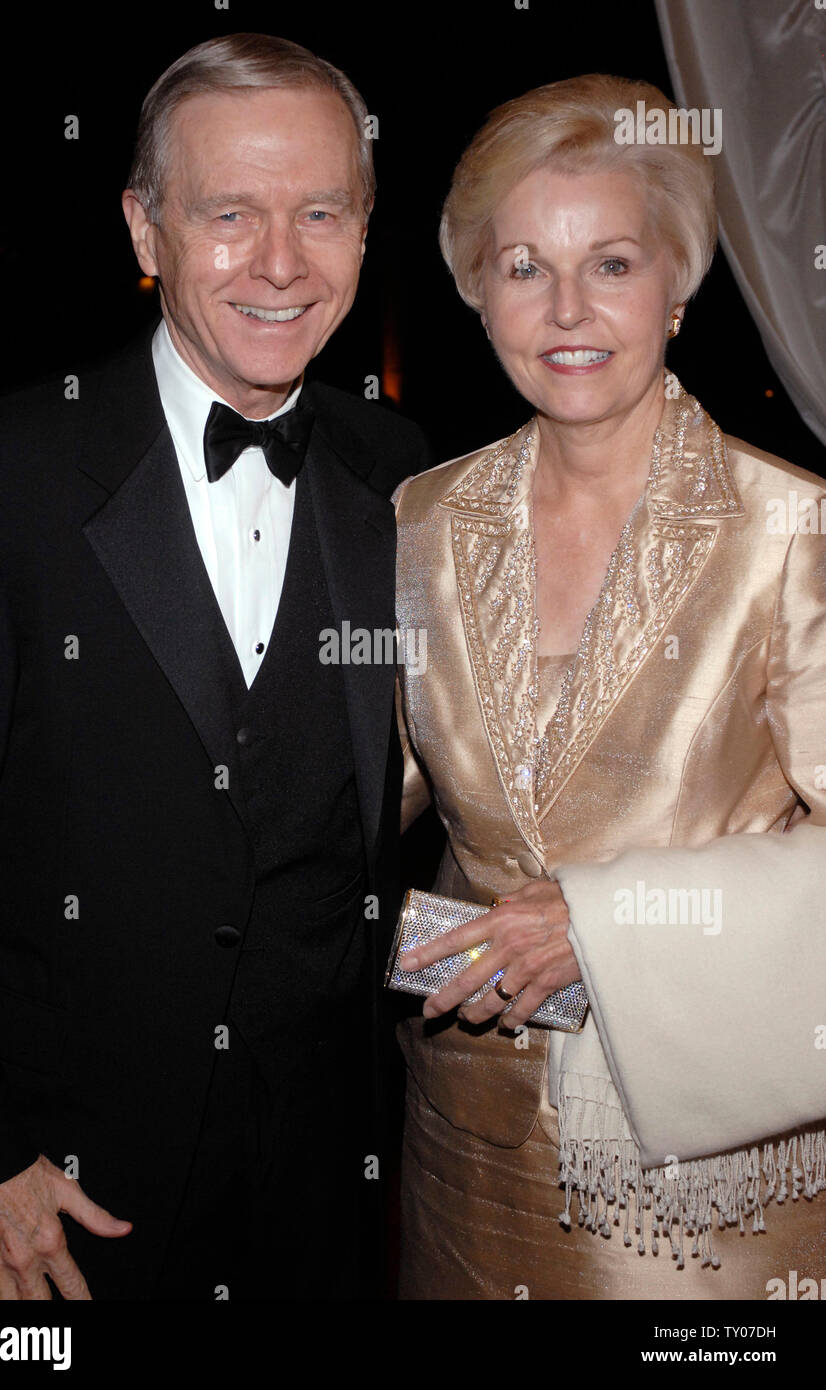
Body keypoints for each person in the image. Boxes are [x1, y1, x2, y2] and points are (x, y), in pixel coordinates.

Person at [0, 33, 430, 1301]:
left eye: (321, 212)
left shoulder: (404, 470)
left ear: (366, 231)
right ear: (146, 231)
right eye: (229, 214)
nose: (280, 262)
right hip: (64, 1195)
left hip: (330, 1177)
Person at [392, 74, 826, 1300]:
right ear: (476, 290)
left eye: (614, 263)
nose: (567, 308)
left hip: (707, 1180)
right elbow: (367, 790)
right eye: (524, 265)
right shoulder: (423, 520)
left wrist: (612, 930)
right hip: (468, 1143)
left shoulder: (790, 525)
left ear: (678, 287)